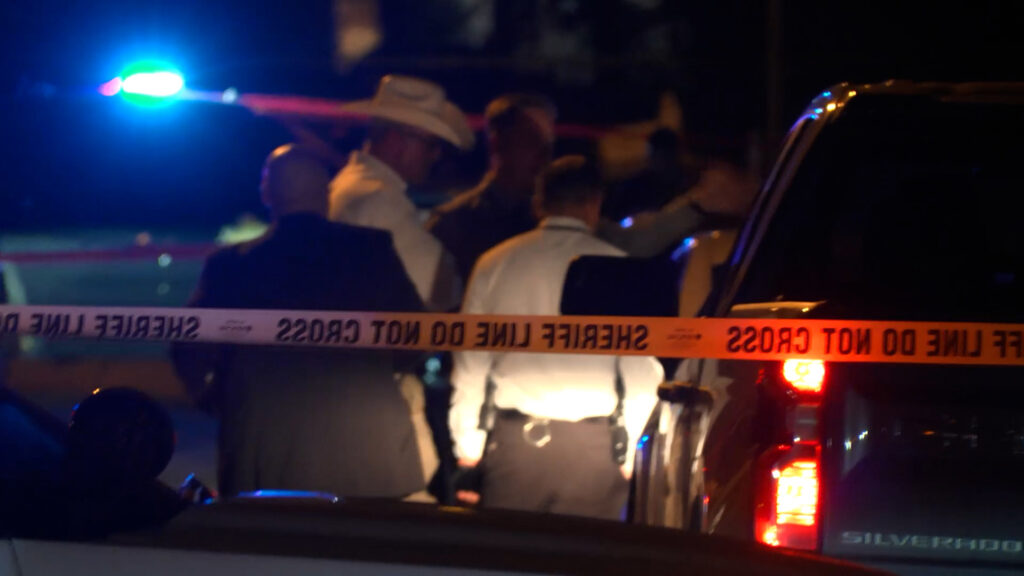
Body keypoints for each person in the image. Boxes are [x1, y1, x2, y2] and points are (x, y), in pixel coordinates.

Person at [172, 144, 427, 499]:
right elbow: (417, 335)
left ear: (267, 193)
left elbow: (188, 348)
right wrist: (376, 369)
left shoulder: (231, 266)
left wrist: (221, 399)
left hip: (267, 457)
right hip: (369, 457)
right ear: (326, 193)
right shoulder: (372, 250)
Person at [450, 156, 664, 520]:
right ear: (595, 204)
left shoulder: (494, 262)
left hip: (514, 447)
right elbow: (640, 370)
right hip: (593, 452)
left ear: (539, 203)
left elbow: (470, 361)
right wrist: (630, 452)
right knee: (585, 552)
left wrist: (468, 445)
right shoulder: (618, 266)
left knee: (509, 549)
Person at [329, 74, 474, 311]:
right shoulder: (381, 201)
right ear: (395, 141)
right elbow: (437, 289)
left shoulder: (346, 184)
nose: (436, 155)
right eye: (431, 145)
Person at [428, 93, 557, 285]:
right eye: (530, 140)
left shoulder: (552, 221)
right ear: (498, 143)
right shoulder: (454, 224)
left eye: (548, 144)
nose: (543, 155)